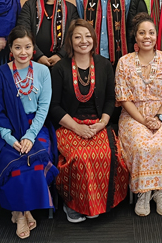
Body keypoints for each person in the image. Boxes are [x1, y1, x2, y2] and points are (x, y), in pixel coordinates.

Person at [0, 26, 57, 239]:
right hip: (7, 129)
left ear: (33, 48)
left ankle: (21, 209)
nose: (23, 52)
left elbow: (43, 109)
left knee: (35, 158)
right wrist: (9, 138)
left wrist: (30, 136)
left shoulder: (43, 71)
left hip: (35, 127)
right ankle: (21, 213)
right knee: (14, 160)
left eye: (28, 47)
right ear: (10, 49)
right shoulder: (1, 74)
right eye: (18, 47)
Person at [49, 19, 129, 223]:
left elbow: (111, 99)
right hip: (69, 124)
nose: (83, 41)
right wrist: (76, 128)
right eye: (77, 37)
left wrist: (103, 122)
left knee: (108, 155)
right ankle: (73, 203)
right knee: (80, 157)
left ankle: (99, 202)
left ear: (93, 39)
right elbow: (54, 106)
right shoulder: (60, 68)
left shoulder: (104, 65)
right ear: (70, 41)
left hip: (98, 123)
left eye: (87, 36)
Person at [115, 13, 162, 217]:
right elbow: (124, 98)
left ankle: (160, 190)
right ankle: (143, 192)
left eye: (151, 33)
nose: (147, 36)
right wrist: (143, 120)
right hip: (133, 115)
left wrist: (159, 118)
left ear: (157, 36)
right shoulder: (124, 62)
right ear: (135, 37)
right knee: (141, 145)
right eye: (142, 33)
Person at [18, 0, 78, 67]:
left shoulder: (71, 8)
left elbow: (74, 35)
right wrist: (39, 56)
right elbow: (23, 32)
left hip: (63, 63)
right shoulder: (29, 6)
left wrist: (60, 55)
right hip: (34, 61)